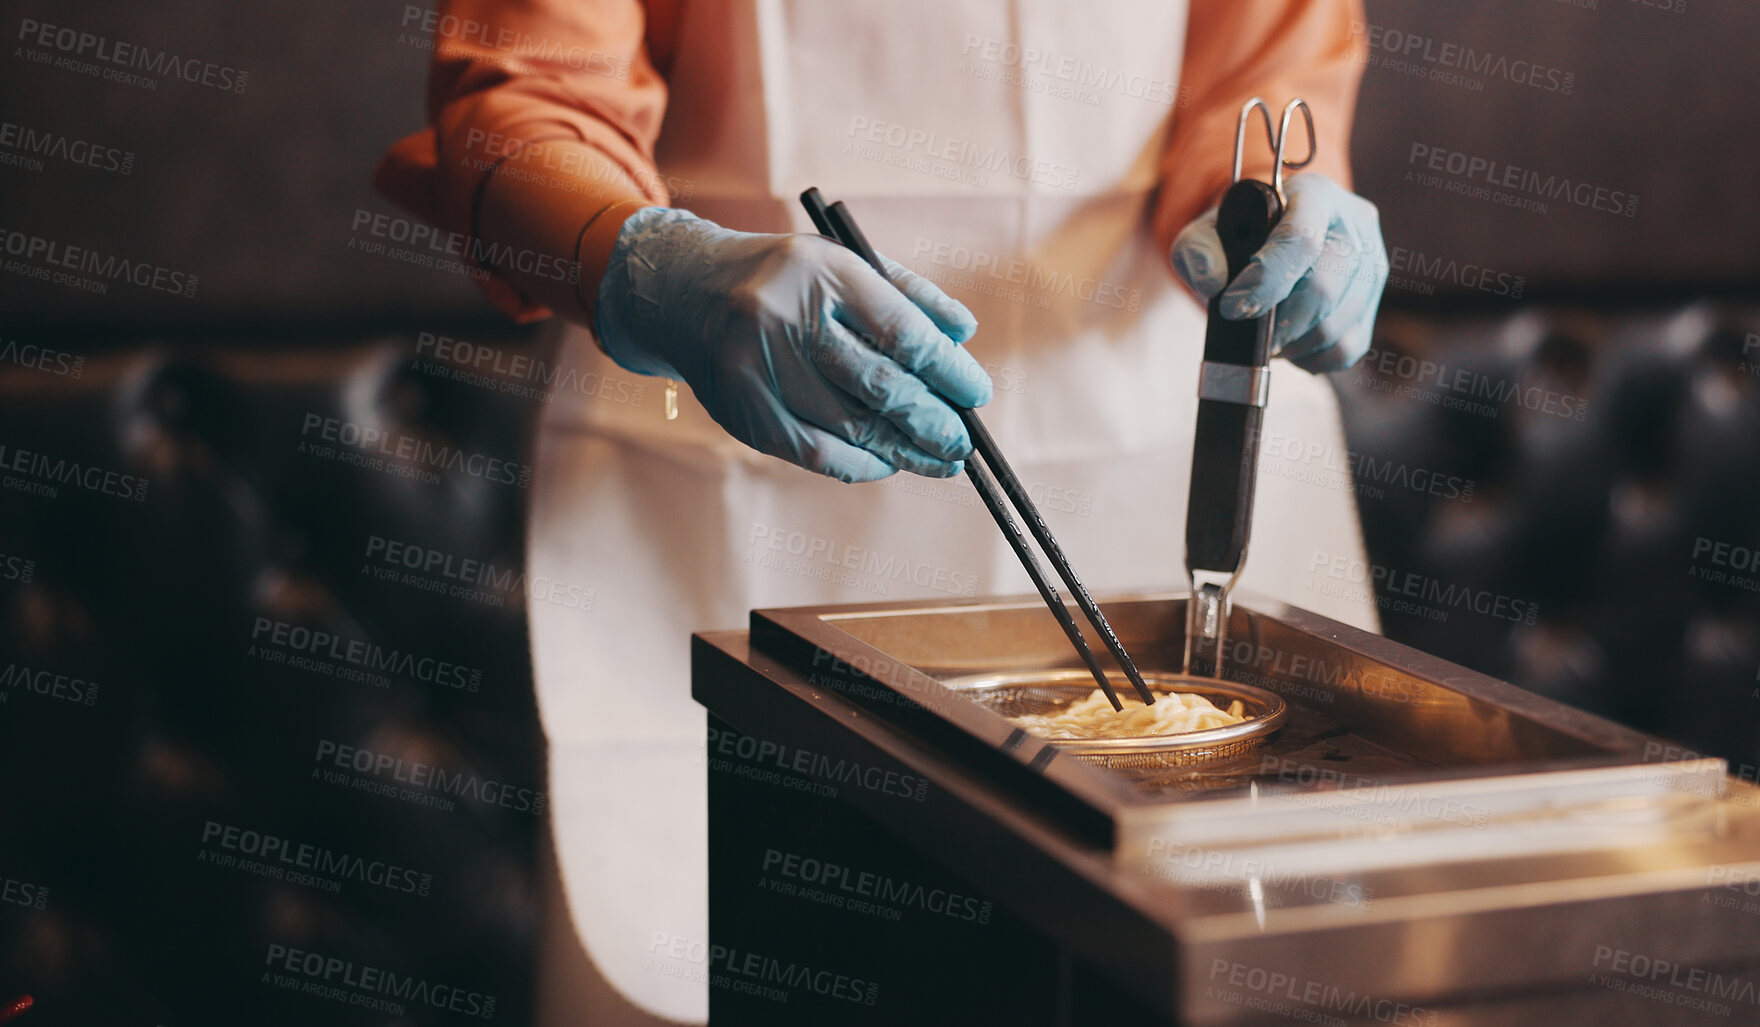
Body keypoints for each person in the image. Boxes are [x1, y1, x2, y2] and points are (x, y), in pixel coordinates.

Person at [378, 0, 1385, 1021]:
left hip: (1139, 463)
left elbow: (1259, 84)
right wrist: (643, 262)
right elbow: (527, 95)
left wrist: (1281, 210)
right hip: (727, 491)